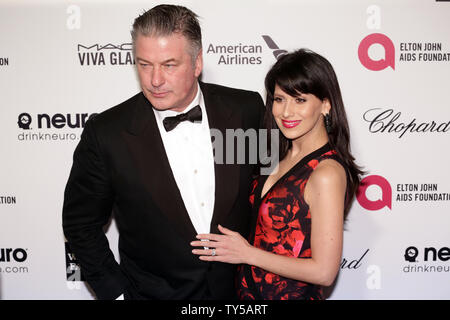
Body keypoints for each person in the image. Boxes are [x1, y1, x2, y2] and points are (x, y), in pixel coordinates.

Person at [62, 4, 264, 300]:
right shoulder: (108, 133)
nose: (155, 80)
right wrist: (117, 295)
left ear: (197, 63)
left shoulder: (245, 111)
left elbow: (268, 195)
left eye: (169, 65)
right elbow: (80, 224)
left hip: (240, 296)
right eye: (144, 65)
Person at [191, 49, 363, 300]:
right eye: (280, 99)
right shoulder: (273, 154)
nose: (286, 112)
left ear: (325, 104)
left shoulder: (326, 173)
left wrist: (247, 253)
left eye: (300, 100)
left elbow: (324, 272)